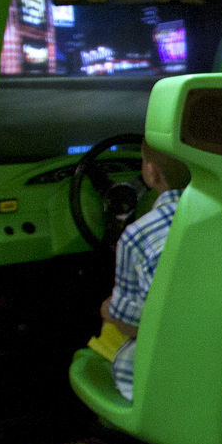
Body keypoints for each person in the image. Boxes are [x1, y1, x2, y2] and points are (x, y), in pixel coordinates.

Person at [91, 141, 192, 399]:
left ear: (151, 172)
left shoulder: (138, 235)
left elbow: (136, 324)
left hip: (159, 382)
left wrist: (109, 311)